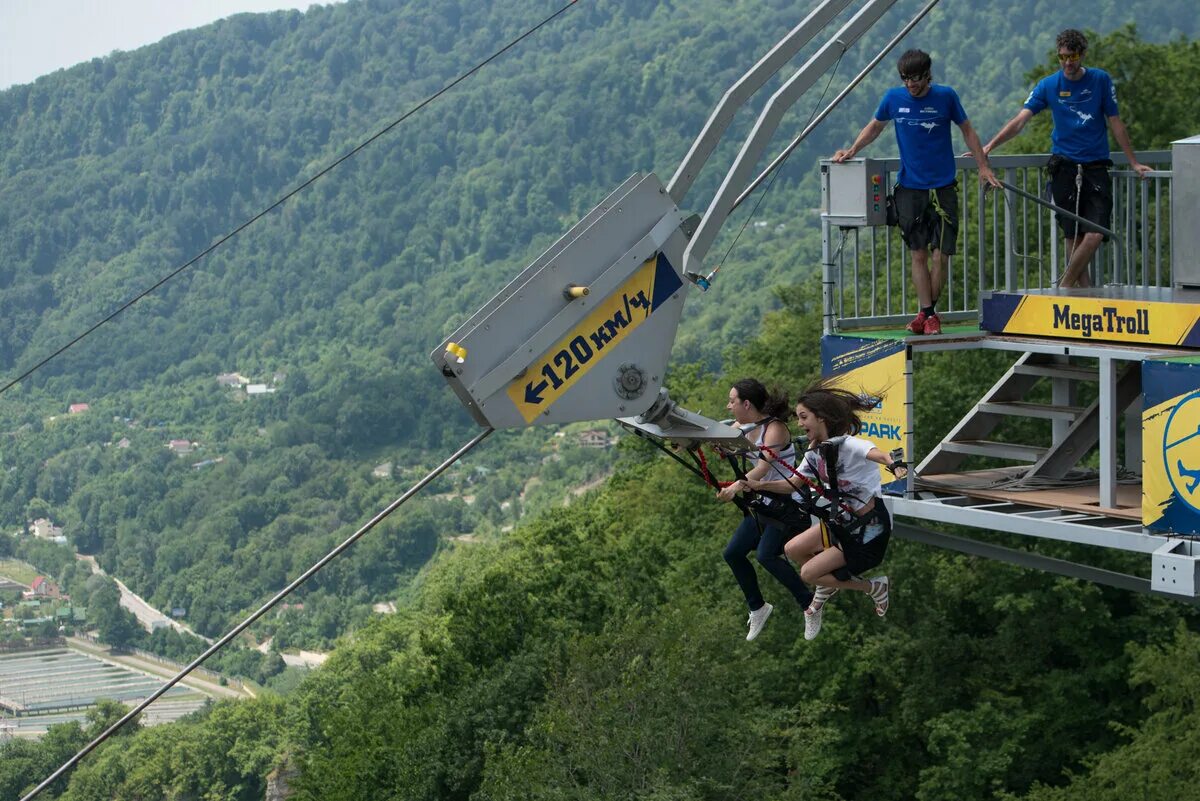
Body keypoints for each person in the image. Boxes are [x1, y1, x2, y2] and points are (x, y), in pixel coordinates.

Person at [833, 49, 1001, 335]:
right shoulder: (893, 99)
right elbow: (875, 127)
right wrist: (853, 150)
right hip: (910, 188)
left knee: (941, 255)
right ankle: (929, 314)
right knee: (918, 254)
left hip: (943, 186)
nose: (911, 84)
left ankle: (927, 312)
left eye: (916, 79)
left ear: (928, 76)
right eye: (906, 79)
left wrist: (983, 167)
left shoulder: (946, 97)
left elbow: (968, 131)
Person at [982, 29, 1151, 288]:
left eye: (1072, 56)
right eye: (1062, 57)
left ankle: (1062, 288)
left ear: (1082, 54)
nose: (1068, 63)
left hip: (1095, 168)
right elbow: (1020, 120)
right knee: (1072, 237)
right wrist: (989, 146)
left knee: (1094, 233)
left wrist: (1133, 161)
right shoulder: (1048, 85)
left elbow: (1115, 121)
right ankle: (1084, 303)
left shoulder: (1100, 80)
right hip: (1064, 168)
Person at [746, 379, 906, 641]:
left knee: (808, 573)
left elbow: (876, 453)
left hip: (868, 531)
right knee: (791, 549)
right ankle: (827, 585)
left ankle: (873, 587)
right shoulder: (814, 454)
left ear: (821, 418)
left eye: (804, 417)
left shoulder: (846, 444)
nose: (799, 424)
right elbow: (793, 484)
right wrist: (753, 484)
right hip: (843, 526)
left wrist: (894, 464)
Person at [717, 379, 814, 641]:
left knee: (766, 555)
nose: (728, 406)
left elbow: (762, 467)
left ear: (746, 404)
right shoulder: (741, 427)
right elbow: (716, 438)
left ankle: (809, 604)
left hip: (785, 502)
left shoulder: (775, 429)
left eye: (732, 401)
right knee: (733, 553)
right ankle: (757, 607)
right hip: (763, 503)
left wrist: (736, 487)